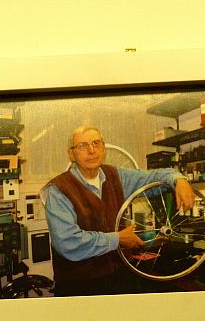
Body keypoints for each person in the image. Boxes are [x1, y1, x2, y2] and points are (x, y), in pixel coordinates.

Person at [41, 125, 196, 297]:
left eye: (96, 143)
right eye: (83, 146)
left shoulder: (117, 176)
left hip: (121, 277)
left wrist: (178, 179)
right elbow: (68, 242)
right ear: (71, 154)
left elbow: (155, 177)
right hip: (80, 286)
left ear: (103, 148)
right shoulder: (58, 189)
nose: (91, 150)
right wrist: (117, 239)